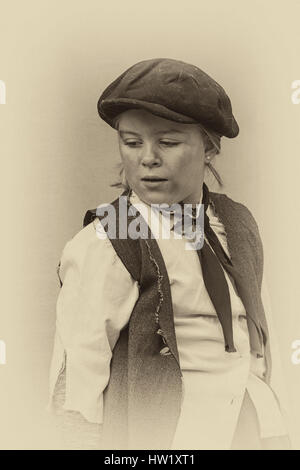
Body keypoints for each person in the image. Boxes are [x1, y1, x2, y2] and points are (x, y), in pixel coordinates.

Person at [48, 58, 291, 450]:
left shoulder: (237, 224)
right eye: (131, 142)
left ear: (209, 147)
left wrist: (278, 429)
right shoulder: (107, 239)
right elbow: (78, 374)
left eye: (168, 142)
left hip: (251, 427)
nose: (147, 158)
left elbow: (263, 339)